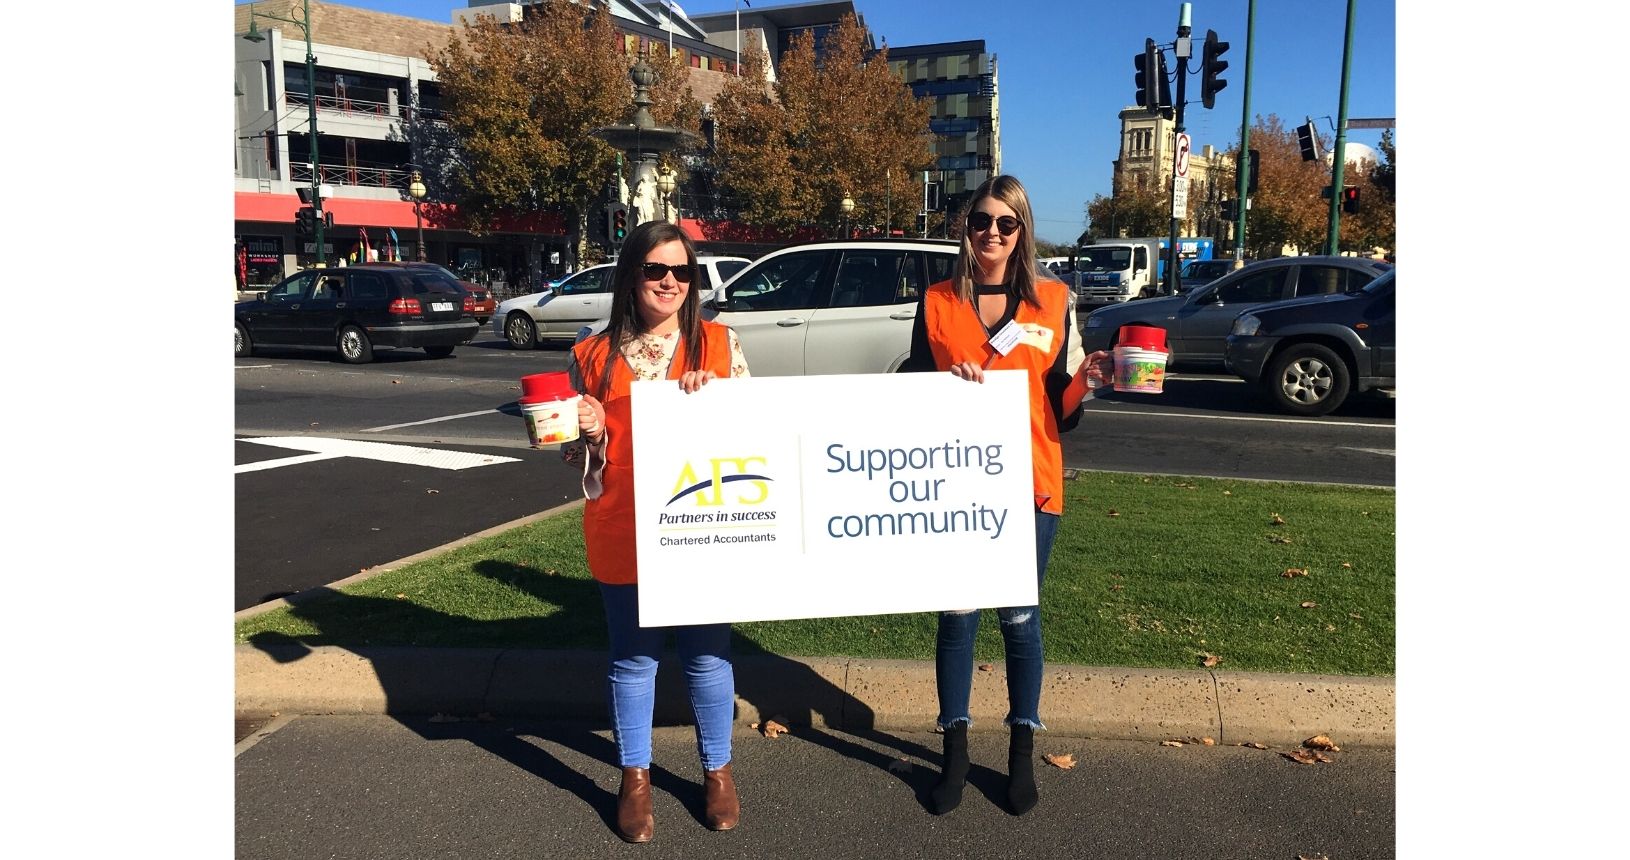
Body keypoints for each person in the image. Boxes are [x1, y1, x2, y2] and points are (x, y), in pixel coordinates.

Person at [901, 175, 1111, 816]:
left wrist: (1088, 383)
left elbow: (1060, 409)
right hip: (953, 482)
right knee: (957, 615)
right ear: (965, 229)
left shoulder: (1053, 300)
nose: (991, 233)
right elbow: (910, 383)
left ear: (1022, 231)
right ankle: (955, 751)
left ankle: (1021, 749)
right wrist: (945, 383)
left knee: (1019, 617)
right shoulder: (936, 300)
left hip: (1029, 480)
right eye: (980, 222)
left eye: (1006, 223)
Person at [567, 220, 752, 844]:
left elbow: (754, 442)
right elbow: (575, 456)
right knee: (633, 657)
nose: (670, 282)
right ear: (631, 274)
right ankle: (635, 778)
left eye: (682, 272)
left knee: (706, 654)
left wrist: (716, 400)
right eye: (655, 269)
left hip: (704, 529)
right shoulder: (591, 354)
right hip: (624, 525)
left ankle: (718, 771)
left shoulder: (722, 347)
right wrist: (586, 432)